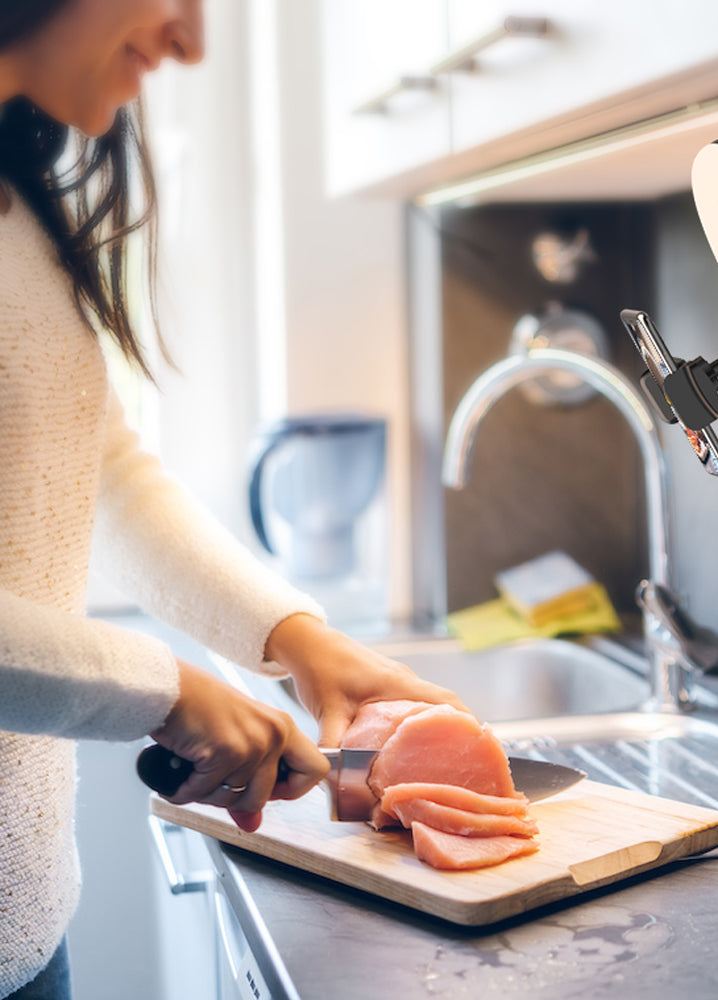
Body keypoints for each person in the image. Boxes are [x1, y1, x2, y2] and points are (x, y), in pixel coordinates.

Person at [0, 2, 466, 996]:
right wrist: (167, 688)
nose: (189, 42)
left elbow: (96, 469)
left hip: (27, 924)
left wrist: (295, 636)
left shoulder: (16, 190)